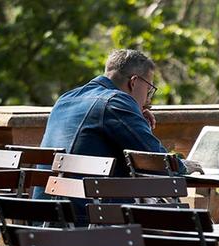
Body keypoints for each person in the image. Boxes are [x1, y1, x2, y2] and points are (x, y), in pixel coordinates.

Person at [35, 49, 199, 219]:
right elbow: (157, 160)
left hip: (45, 219)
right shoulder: (115, 101)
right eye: (149, 89)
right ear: (134, 82)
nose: (148, 99)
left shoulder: (66, 98)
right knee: (179, 221)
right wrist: (183, 166)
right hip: (87, 222)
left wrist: (135, 116)